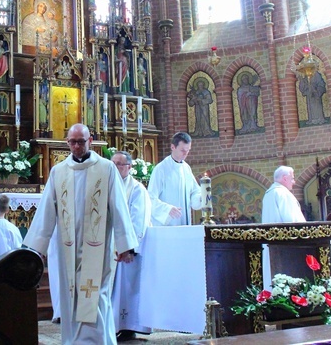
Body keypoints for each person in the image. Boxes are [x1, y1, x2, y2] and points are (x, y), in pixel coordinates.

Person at [23, 124, 138, 344]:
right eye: (72, 142)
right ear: (67, 142)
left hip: (98, 245)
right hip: (67, 245)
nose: (76, 146)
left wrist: (125, 246)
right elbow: (47, 209)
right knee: (71, 297)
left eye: (81, 141)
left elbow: (119, 207)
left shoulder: (106, 168)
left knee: (95, 296)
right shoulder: (59, 171)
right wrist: (38, 247)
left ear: (90, 141)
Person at [110, 151, 152, 341]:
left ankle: (128, 327)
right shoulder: (108, 186)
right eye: (113, 164)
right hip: (109, 248)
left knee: (127, 289)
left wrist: (129, 248)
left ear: (129, 167)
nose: (116, 168)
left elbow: (138, 221)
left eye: (120, 164)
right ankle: (112, 325)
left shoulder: (137, 189)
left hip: (128, 251)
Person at [147, 132, 203, 226]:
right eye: (182, 150)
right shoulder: (161, 169)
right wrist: (167, 209)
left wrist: (200, 198)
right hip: (168, 225)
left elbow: (194, 192)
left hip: (185, 222)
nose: (186, 154)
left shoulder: (186, 168)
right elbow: (150, 198)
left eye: (188, 150)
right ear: (173, 147)